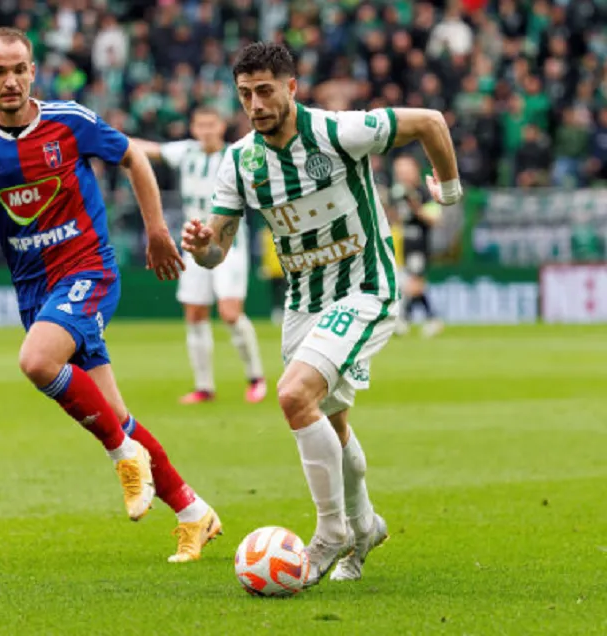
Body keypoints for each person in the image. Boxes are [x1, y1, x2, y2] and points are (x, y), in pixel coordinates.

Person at [0, 27, 221, 563]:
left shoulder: (69, 121)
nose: (10, 81)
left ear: (33, 72)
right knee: (115, 413)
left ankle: (123, 456)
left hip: (88, 269)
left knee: (37, 362)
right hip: (35, 290)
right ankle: (193, 511)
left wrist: (156, 230)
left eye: (19, 69)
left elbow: (134, 158)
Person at [181, 42, 462, 586]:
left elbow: (430, 121)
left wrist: (447, 193)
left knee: (293, 395)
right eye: (245, 94)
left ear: (291, 87)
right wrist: (201, 248)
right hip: (304, 304)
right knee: (331, 422)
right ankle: (366, 525)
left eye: (265, 91)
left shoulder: (338, 131)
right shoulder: (239, 161)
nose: (255, 104)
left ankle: (331, 532)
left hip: (365, 289)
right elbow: (217, 250)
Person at [133, 107, 267, 404]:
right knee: (195, 313)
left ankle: (255, 377)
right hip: (193, 244)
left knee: (230, 313)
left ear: (221, 126)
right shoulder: (186, 152)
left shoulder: (236, 155)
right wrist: (102, 136)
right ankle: (204, 386)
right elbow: (147, 148)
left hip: (228, 245)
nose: (206, 130)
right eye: (201, 125)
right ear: (193, 128)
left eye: (211, 124)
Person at [390, 155, 444, 337]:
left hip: (419, 245)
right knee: (409, 284)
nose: (402, 175)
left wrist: (415, 206)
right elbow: (395, 219)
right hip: (401, 245)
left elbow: (434, 219)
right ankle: (426, 319)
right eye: (399, 171)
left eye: (406, 171)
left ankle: (408, 318)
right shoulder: (396, 193)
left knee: (413, 284)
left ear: (415, 171)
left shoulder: (424, 192)